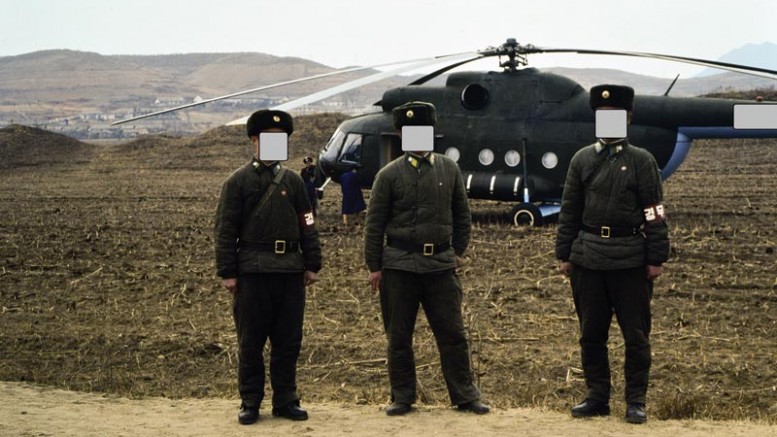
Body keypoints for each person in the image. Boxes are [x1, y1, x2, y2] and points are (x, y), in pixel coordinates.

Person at [364, 101, 490, 417]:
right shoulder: (388, 175)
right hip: (399, 266)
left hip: (440, 268)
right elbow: (374, 224)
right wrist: (374, 267)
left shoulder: (449, 169)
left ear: (432, 132)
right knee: (399, 337)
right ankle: (402, 397)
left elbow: (463, 214)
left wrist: (458, 252)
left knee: (453, 335)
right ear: (400, 134)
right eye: (410, 131)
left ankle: (465, 395)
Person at [555, 85, 670, 424]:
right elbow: (569, 211)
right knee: (591, 334)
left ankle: (636, 400)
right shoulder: (581, 160)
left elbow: (654, 212)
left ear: (628, 119)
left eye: (615, 116)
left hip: (630, 262)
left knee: (635, 337)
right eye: (602, 116)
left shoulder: (642, 162)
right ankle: (597, 397)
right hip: (588, 260)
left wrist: (656, 258)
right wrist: (565, 254)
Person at [214, 109, 322, 425]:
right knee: (251, 342)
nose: (276, 144)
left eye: (281, 139)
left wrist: (312, 263)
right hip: (253, 271)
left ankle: (286, 400)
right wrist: (228, 272)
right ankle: (250, 401)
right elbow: (225, 229)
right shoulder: (237, 182)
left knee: (288, 342)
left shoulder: (293, 181)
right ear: (254, 141)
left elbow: (308, 222)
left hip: (290, 271)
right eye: (269, 139)